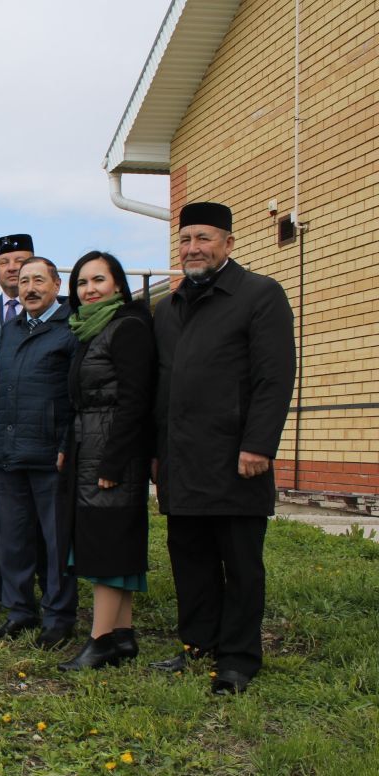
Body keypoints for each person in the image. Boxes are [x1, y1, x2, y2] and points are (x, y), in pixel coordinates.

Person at [150, 201, 295, 694]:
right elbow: (159, 386)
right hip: (180, 458)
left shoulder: (259, 295)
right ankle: (197, 645)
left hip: (236, 458)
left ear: (228, 244)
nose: (193, 248)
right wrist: (156, 450)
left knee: (240, 563)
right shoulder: (166, 309)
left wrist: (258, 445)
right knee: (189, 558)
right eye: (186, 239)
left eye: (204, 238)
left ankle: (237, 658)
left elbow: (273, 378)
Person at [57, 252, 156, 671]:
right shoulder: (88, 331)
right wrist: (68, 443)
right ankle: (122, 636)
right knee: (109, 539)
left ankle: (99, 640)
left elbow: (136, 402)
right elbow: (80, 400)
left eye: (98, 279)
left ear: (118, 284)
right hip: (89, 448)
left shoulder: (128, 328)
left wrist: (114, 463)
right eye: (81, 282)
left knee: (107, 545)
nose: (89, 289)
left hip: (114, 454)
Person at [0, 256, 78, 649]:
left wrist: (66, 445)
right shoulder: (9, 330)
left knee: (56, 543)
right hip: (7, 454)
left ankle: (58, 617)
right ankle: (19, 611)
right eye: (24, 282)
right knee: (12, 539)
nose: (30, 288)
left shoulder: (71, 328)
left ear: (57, 284)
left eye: (39, 280)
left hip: (50, 456)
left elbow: (78, 394)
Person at [0, 233, 46, 609]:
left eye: (21, 261)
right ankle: (2, 585)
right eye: (5, 262)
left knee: (38, 518)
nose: (13, 268)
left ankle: (41, 584)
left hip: (36, 432)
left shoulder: (51, 310)